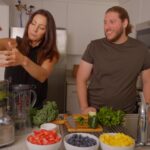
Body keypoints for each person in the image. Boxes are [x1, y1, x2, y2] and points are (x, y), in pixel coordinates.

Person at [76, 6, 150, 114]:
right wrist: (84, 108)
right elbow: (81, 79)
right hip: (96, 114)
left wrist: (148, 109)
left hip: (126, 114)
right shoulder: (94, 47)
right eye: (105, 22)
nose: (107, 27)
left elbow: (147, 82)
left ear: (124, 23)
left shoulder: (141, 49)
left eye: (112, 22)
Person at [0, 9, 59, 109]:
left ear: (47, 32)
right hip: (9, 106)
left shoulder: (51, 54)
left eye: (41, 28)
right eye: (33, 23)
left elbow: (43, 75)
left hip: (34, 109)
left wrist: (23, 60)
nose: (34, 29)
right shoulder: (13, 43)